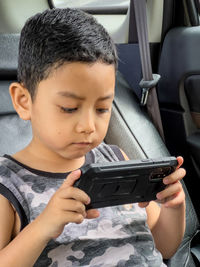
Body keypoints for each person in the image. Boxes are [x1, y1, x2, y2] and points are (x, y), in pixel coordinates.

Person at [0, 8, 186, 267]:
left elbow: (165, 246)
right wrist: (42, 228)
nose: (88, 126)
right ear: (23, 101)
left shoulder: (115, 159)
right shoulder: (8, 185)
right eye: (69, 108)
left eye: (102, 109)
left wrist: (173, 208)